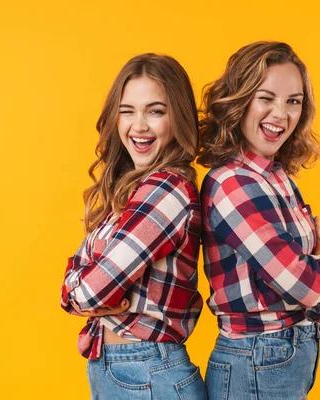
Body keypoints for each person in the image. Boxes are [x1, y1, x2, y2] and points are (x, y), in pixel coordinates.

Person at [198, 41, 320, 400]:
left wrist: (312, 265)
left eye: (293, 101)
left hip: (279, 355)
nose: (281, 113)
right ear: (239, 101)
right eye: (266, 97)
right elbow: (302, 283)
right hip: (257, 356)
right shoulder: (232, 183)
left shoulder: (275, 176)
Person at [61, 53, 207, 400]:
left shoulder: (165, 189)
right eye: (127, 111)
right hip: (131, 372)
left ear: (178, 118)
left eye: (155, 111)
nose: (138, 125)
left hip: (146, 372)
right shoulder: (135, 193)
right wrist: (79, 290)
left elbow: (89, 292)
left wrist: (74, 291)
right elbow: (86, 287)